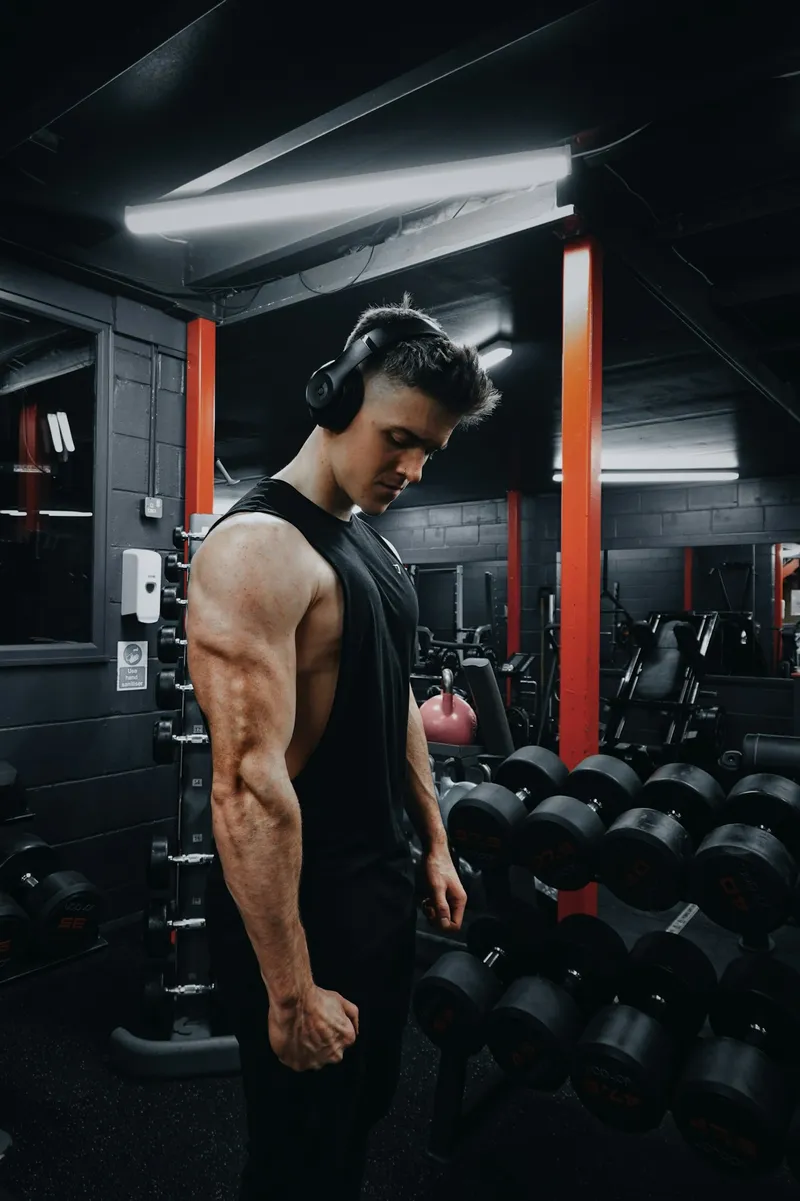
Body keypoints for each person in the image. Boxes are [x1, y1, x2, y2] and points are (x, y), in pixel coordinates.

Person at [187, 296, 501, 1200]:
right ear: (337, 401)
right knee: (298, 1157)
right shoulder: (257, 551)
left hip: (377, 888)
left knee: (357, 1119)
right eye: (397, 437)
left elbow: (394, 690)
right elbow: (247, 788)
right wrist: (290, 992)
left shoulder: (369, 547)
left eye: (429, 452)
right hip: (302, 909)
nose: (410, 467)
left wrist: (432, 838)